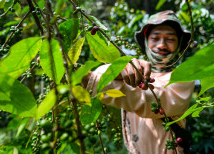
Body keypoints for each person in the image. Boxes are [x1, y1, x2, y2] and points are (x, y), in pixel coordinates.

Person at [83, 10, 194, 154]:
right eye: (155, 38)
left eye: (170, 39)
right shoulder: (135, 70)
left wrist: (90, 79)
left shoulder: (183, 78)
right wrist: (118, 69)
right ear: (146, 42)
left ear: (180, 45)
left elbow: (147, 99)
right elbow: (100, 75)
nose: (161, 45)